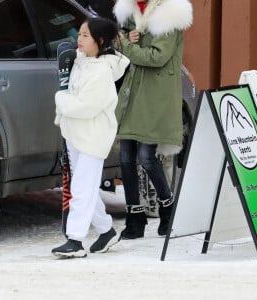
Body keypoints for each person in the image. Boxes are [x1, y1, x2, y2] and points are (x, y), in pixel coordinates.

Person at [113, 0, 193, 239]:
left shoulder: (171, 16)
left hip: (155, 94)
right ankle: (134, 217)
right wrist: (125, 37)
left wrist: (126, 45)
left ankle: (168, 209)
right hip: (132, 91)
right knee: (125, 156)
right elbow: (123, 38)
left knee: (147, 157)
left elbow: (158, 56)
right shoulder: (130, 11)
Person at [51, 18, 130, 258]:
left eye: (85, 35)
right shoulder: (83, 62)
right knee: (83, 186)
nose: (79, 39)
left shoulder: (101, 72)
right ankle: (106, 230)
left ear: (101, 41)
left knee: (82, 187)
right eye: (80, 34)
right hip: (75, 132)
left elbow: (85, 106)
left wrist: (60, 99)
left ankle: (75, 240)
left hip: (93, 136)